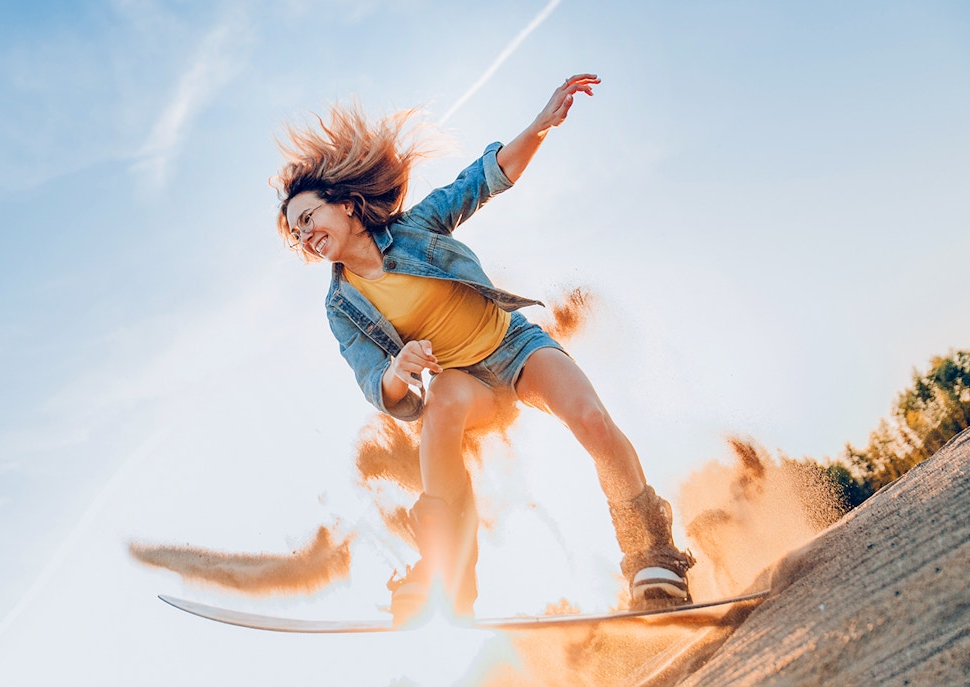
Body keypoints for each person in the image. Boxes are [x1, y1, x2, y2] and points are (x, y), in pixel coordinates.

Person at [273, 74, 694, 626]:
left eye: (308, 219)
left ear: (348, 207)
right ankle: (446, 572)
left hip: (513, 347)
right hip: (465, 384)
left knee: (591, 421)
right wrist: (399, 367)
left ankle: (653, 558)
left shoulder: (417, 227)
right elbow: (378, 384)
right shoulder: (341, 307)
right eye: (295, 234)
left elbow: (484, 179)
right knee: (440, 406)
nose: (305, 235)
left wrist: (541, 125)